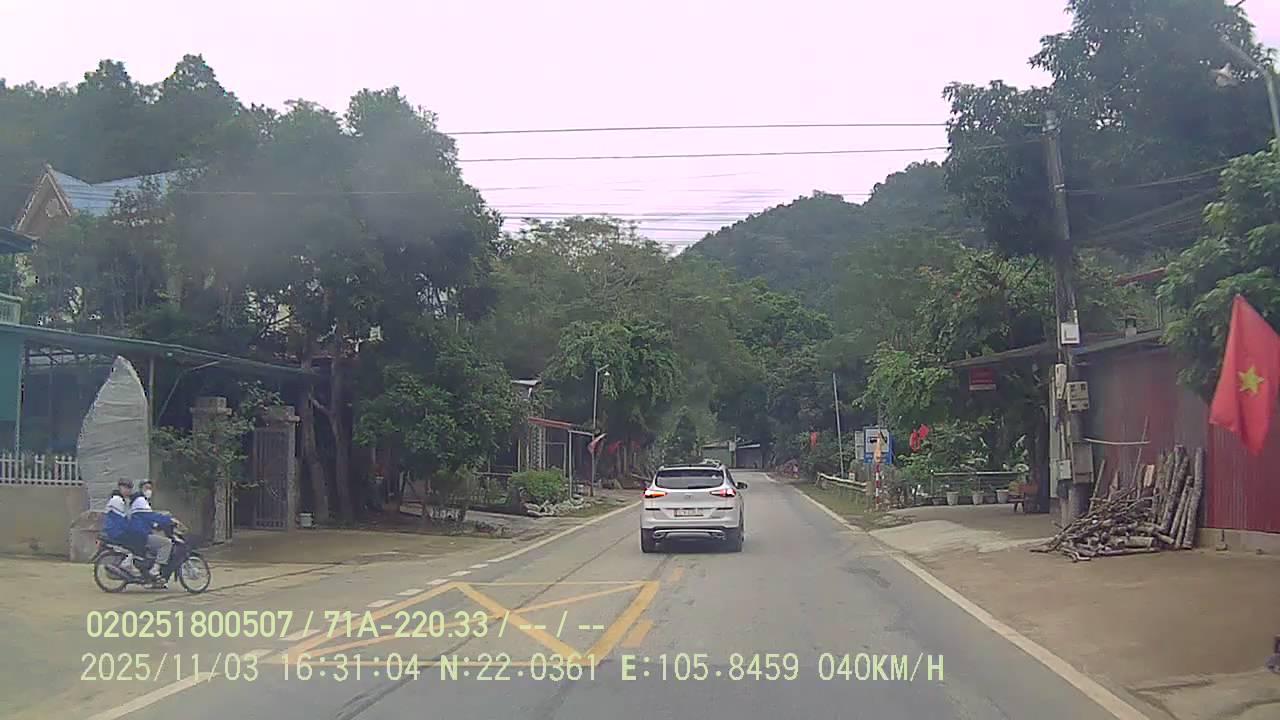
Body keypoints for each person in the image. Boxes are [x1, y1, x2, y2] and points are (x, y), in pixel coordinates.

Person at [128, 480, 175, 585]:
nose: (148, 490)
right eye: (146, 488)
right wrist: (169, 520)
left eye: (150, 488)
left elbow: (146, 519)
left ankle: (152, 577)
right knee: (166, 543)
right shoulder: (140, 501)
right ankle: (155, 570)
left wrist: (156, 525)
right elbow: (151, 516)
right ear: (141, 489)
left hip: (139, 532)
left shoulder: (140, 501)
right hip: (140, 535)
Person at [103, 479, 141, 576]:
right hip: (115, 531)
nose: (128, 490)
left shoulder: (122, 500)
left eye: (129, 488)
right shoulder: (117, 500)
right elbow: (122, 520)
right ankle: (127, 563)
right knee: (138, 541)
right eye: (125, 488)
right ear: (120, 488)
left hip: (117, 529)